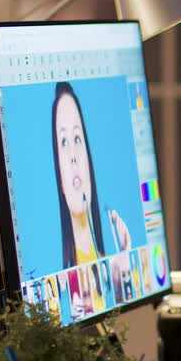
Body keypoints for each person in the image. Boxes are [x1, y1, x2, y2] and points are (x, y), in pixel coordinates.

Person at [51, 81, 130, 315]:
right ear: (59, 177)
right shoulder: (60, 286)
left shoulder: (116, 266)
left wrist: (124, 261)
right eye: (63, 143)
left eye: (77, 139)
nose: (73, 156)